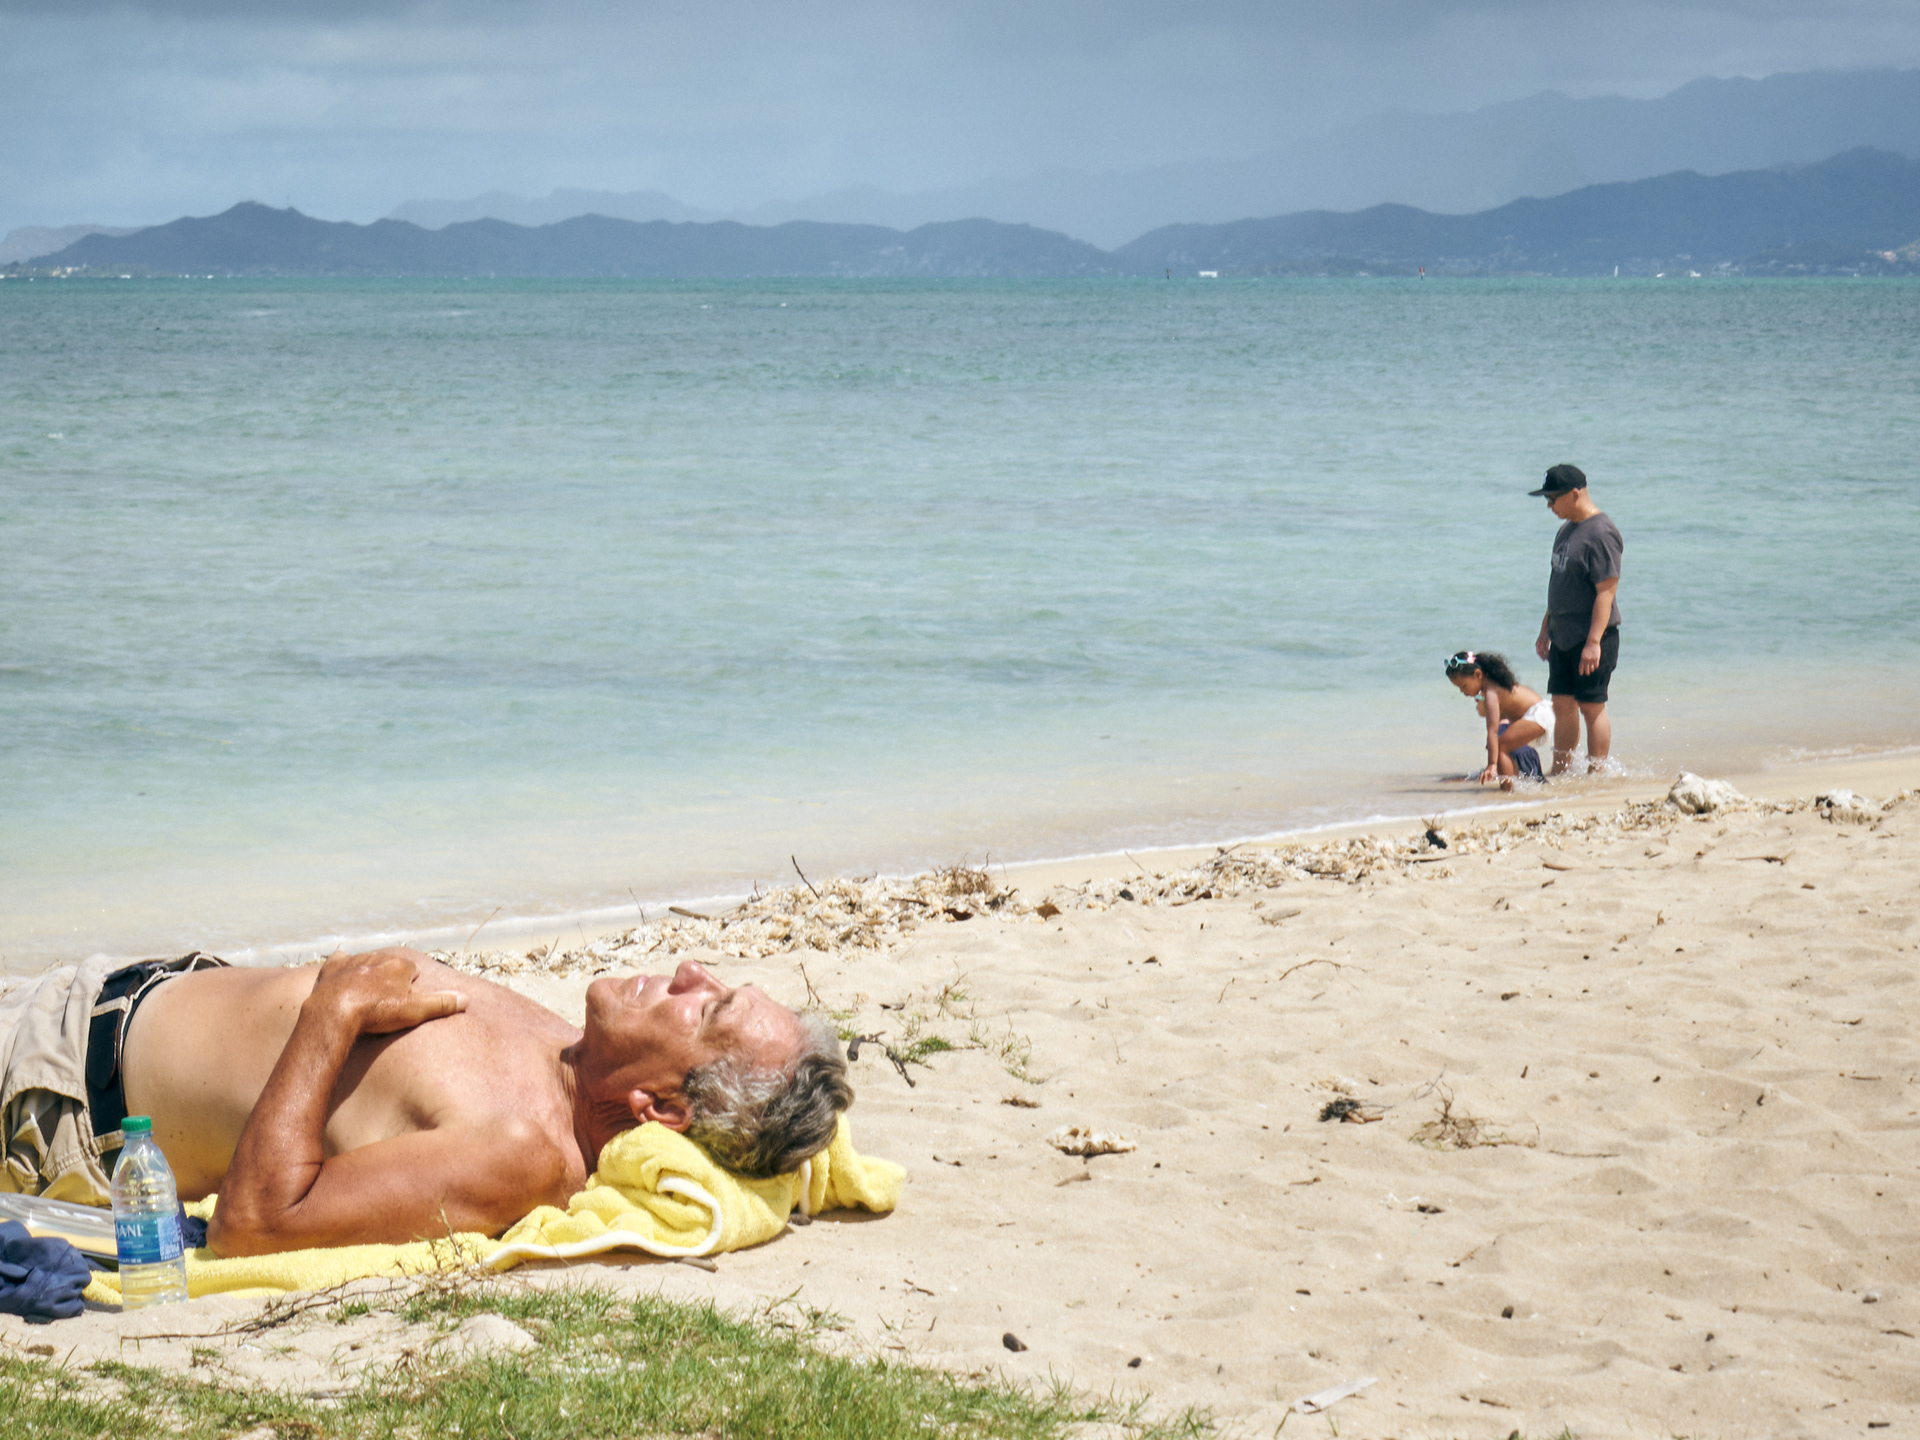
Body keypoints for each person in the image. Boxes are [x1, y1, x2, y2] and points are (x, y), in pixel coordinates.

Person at [0, 948, 850, 1258]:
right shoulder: (573, 1051)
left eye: (707, 1009)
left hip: (52, 1100)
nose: (692, 971)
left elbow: (254, 1224)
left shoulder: (522, 1153)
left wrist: (331, 1015)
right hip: (88, 996)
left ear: (660, 1111)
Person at [1530, 463, 1623, 774]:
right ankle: (1560, 770)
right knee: (1562, 704)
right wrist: (1546, 629)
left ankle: (1597, 773)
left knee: (1591, 707)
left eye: (1552, 498)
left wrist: (1594, 642)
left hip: (1592, 636)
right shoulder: (1566, 529)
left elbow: (1606, 591)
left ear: (1574, 494)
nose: (1549, 506)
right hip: (1563, 634)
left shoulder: (1601, 532)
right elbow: (1559, 582)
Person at [1444, 650, 1548, 788]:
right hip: (1542, 713)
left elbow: (1492, 731)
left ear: (1478, 675)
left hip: (1539, 715)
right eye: (1459, 688)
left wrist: (1492, 764)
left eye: (1464, 686)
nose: (1462, 692)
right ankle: (1518, 784)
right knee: (1502, 745)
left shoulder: (1491, 693)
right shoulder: (1494, 685)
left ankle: (1508, 791)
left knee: (1500, 747)